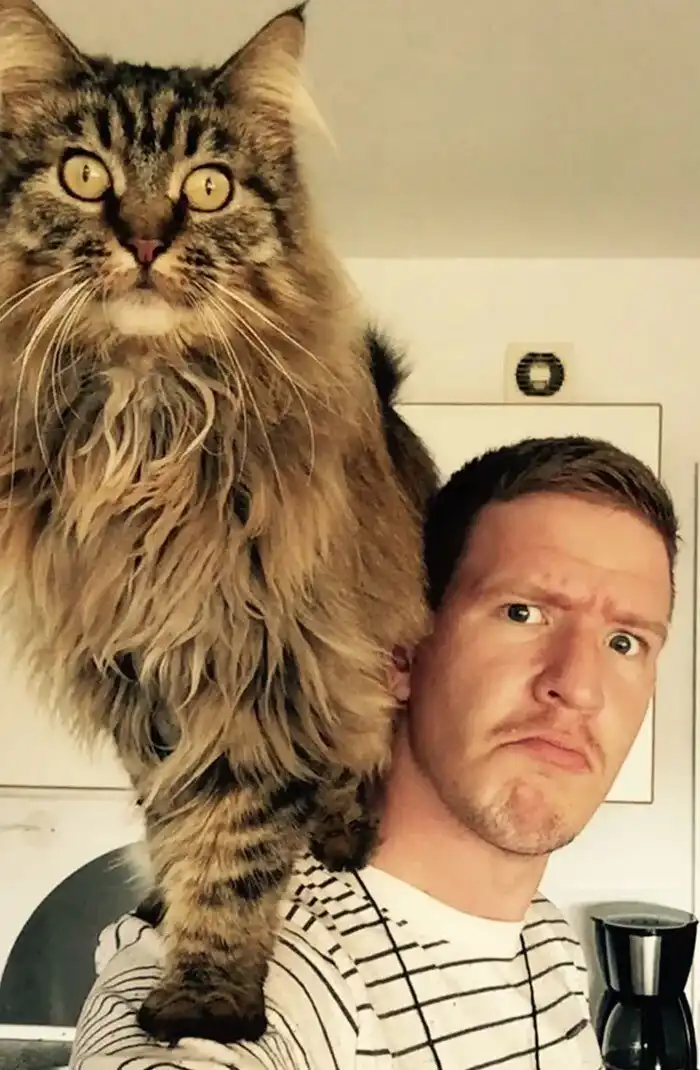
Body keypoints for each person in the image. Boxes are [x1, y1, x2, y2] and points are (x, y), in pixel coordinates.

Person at [69, 435, 677, 1070]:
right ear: (401, 654)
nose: (579, 687)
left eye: (625, 642)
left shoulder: (548, 942)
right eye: (522, 612)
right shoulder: (269, 966)